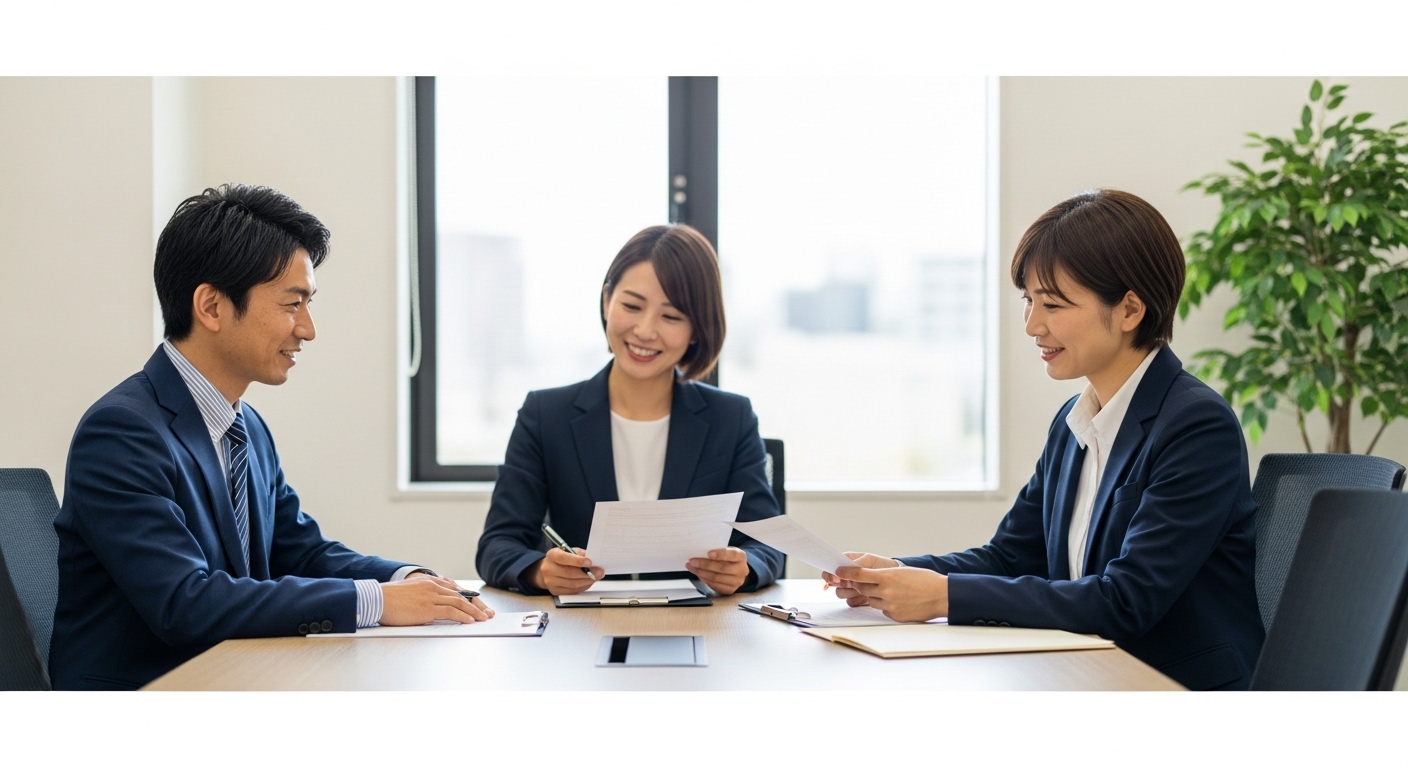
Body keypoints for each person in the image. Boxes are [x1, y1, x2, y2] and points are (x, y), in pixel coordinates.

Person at [50, 184, 493, 690]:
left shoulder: (247, 428)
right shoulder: (121, 432)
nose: (308, 329)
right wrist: (375, 602)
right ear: (211, 306)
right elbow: (185, 602)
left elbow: (300, 552)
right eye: (292, 304)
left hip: (231, 677)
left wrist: (403, 579)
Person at [825, 189, 1265, 690]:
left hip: (1173, 689)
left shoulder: (1196, 425)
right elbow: (1010, 557)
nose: (1033, 325)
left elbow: (1126, 600)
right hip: (1086, 674)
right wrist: (897, 573)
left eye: (1053, 304)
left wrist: (942, 596)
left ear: (1129, 310)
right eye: (1029, 301)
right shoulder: (1073, 423)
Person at [476, 224, 784, 596]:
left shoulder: (730, 418)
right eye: (632, 306)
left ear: (697, 329)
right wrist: (541, 571)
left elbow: (769, 545)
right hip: (582, 622)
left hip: (697, 621)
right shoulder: (545, 415)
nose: (645, 330)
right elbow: (497, 545)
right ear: (607, 300)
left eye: (671, 317)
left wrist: (743, 568)